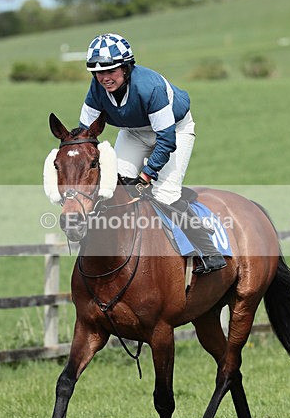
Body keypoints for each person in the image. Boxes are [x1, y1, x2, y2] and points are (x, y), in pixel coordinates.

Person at [78, 32, 225, 275]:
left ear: (126, 68)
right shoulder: (96, 89)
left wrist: (147, 175)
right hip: (133, 133)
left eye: (111, 71)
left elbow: (166, 141)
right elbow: (86, 135)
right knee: (114, 187)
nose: (104, 78)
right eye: (99, 73)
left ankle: (209, 251)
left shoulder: (150, 87)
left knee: (165, 194)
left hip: (174, 131)